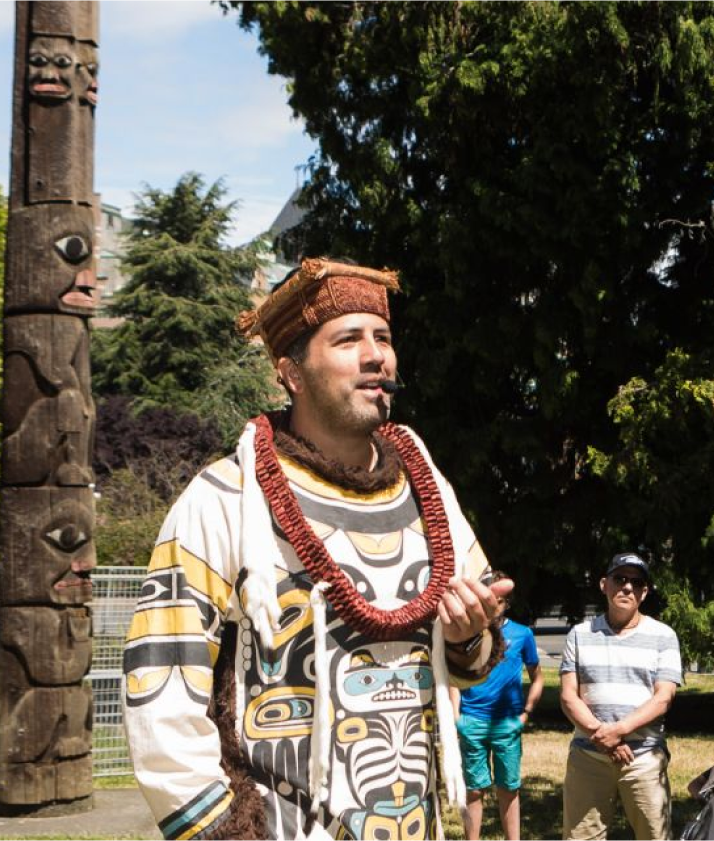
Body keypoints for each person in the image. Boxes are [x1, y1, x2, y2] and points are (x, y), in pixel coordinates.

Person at [122, 257, 513, 841]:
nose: (376, 354)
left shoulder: (430, 489)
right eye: (348, 339)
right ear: (291, 373)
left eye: (383, 337)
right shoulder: (226, 497)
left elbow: (475, 663)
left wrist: (467, 636)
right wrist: (223, 832)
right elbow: (160, 685)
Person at [560, 552, 682, 841]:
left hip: (643, 758)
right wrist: (601, 736)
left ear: (645, 592)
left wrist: (618, 731)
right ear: (604, 584)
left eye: (636, 582)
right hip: (588, 754)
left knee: (655, 837)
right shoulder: (579, 634)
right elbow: (568, 696)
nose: (627, 587)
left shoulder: (663, 635)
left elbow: (663, 698)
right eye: (620, 579)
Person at [449, 571, 543, 841]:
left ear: (507, 602)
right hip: (472, 721)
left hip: (507, 723)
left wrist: (526, 714)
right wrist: (457, 716)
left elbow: (537, 677)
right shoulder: (467, 632)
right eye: (487, 596)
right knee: (475, 790)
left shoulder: (523, 634)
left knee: (508, 789)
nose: (493, 603)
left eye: (499, 599)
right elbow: (455, 677)